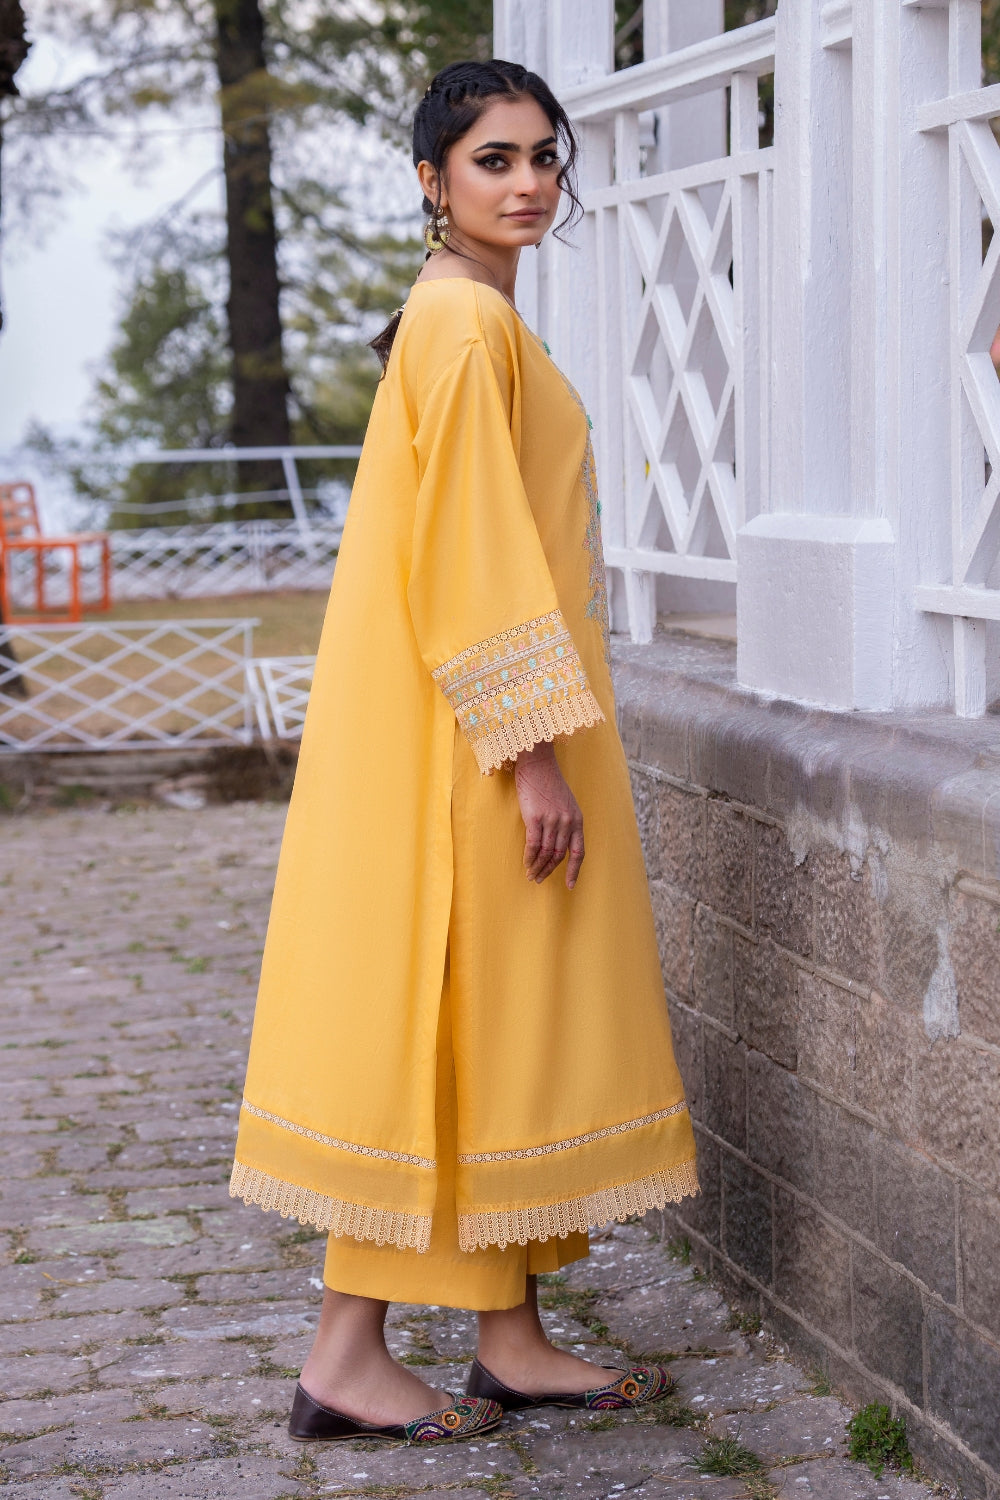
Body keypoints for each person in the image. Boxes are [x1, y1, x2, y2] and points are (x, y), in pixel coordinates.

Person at [230, 58, 699, 1446]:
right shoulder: (462, 324)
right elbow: (470, 557)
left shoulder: (461, 314)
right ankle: (344, 1356)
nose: (530, 182)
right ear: (433, 181)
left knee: (499, 1028)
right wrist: (530, 754)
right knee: (447, 1027)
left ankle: (510, 1337)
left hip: (474, 728)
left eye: (545, 156)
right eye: (495, 159)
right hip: (477, 749)